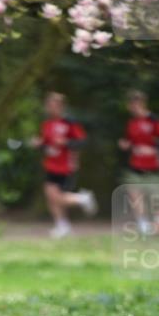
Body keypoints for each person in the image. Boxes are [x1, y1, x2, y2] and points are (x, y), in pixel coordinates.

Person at [31, 91, 97, 238]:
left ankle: (82, 199)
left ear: (61, 106)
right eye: (48, 105)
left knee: (57, 197)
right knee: (50, 195)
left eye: (54, 105)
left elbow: (81, 142)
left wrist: (66, 142)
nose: (50, 108)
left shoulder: (70, 123)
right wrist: (38, 144)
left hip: (65, 166)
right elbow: (46, 145)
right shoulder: (47, 124)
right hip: (51, 164)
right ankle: (62, 225)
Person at [118, 90, 159, 236]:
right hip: (136, 163)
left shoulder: (154, 120)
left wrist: (152, 149)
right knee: (134, 192)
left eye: (135, 104)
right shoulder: (132, 122)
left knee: (157, 194)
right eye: (130, 105)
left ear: (142, 104)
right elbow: (130, 140)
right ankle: (143, 224)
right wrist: (126, 145)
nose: (132, 108)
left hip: (154, 164)